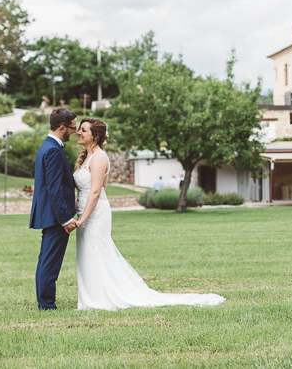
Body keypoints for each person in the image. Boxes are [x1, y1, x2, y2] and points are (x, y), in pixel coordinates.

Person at [71, 118, 225, 310]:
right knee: (88, 254)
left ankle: (101, 298)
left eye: (83, 130)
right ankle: (91, 296)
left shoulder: (100, 157)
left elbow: (96, 192)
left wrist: (82, 219)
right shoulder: (87, 157)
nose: (78, 132)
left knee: (97, 252)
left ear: (95, 135)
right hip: (86, 211)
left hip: (93, 214)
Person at [29, 107, 79, 311]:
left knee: (45, 262)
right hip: (55, 217)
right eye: (72, 128)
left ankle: (45, 302)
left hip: (50, 215)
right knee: (49, 264)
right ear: (61, 128)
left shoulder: (47, 146)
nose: (74, 132)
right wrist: (65, 219)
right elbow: (54, 189)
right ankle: (47, 305)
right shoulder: (52, 150)